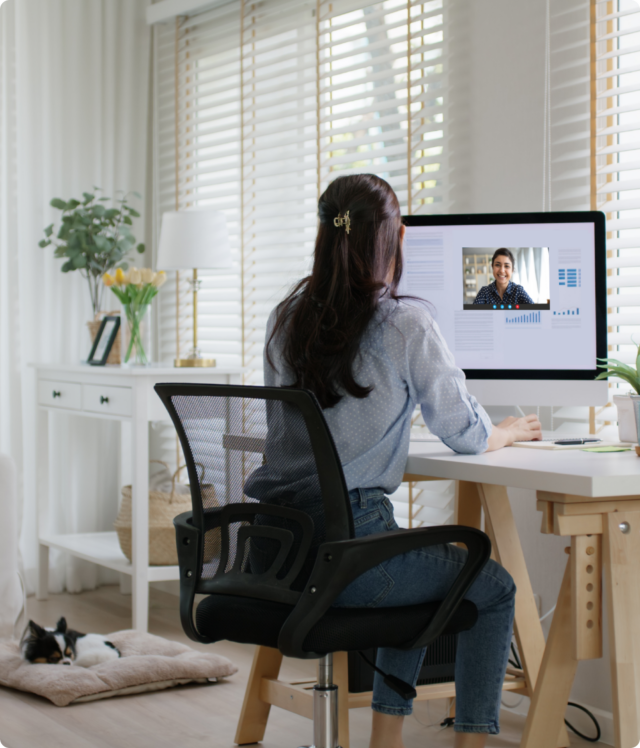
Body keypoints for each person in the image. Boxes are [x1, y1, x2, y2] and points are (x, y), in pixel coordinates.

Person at [263, 174, 541, 748]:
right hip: (353, 555)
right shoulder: (403, 322)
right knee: (490, 586)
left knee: (423, 566)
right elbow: (464, 432)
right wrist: (505, 432)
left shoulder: (285, 319)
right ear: (396, 238)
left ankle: (385, 741)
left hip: (280, 552)